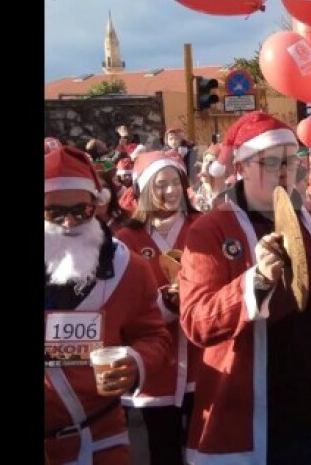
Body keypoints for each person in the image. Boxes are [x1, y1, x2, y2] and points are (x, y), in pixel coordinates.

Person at [178, 112, 311, 464]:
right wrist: (255, 281)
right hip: (254, 411)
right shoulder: (209, 230)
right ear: (241, 167)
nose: (286, 170)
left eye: (293, 159)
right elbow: (196, 322)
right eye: (271, 161)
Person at [45, 146, 171, 464]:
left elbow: (154, 336)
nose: (69, 222)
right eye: (54, 213)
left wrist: (135, 362)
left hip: (103, 439)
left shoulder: (128, 267)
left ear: (97, 205)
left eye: (81, 210)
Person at [115, 150, 202, 465]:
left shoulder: (204, 227)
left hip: (203, 360)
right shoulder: (125, 240)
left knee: (203, 449)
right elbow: (123, 302)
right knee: (162, 450)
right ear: (142, 190)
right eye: (160, 185)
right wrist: (165, 303)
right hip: (155, 365)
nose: (170, 192)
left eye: (176, 183)